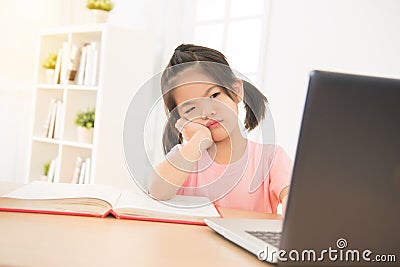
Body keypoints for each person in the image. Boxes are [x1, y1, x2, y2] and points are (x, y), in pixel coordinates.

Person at [148, 44, 292, 215]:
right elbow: (157, 191)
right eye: (191, 109)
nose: (207, 111)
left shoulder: (270, 158)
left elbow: (297, 204)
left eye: (214, 95)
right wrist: (198, 140)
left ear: (236, 91)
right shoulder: (185, 158)